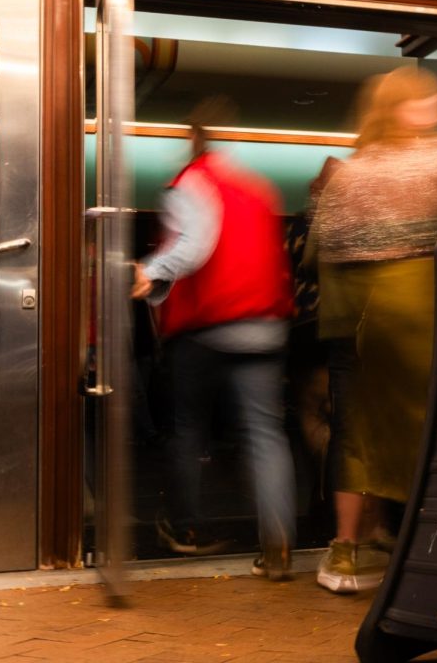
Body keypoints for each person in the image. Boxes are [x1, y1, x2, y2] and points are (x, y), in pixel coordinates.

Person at [310, 66, 437, 593]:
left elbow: (321, 250)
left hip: (356, 323)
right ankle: (434, 551)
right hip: (421, 314)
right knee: (430, 428)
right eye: (425, 101)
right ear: (397, 109)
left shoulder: (352, 170)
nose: (436, 108)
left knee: (360, 435)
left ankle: (352, 548)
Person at [131, 96, 296, 581]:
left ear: (192, 139)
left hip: (207, 324)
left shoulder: (195, 180)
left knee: (189, 429)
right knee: (266, 434)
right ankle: (279, 542)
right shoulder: (257, 188)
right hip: (264, 323)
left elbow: (195, 244)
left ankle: (187, 528)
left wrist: (150, 271)